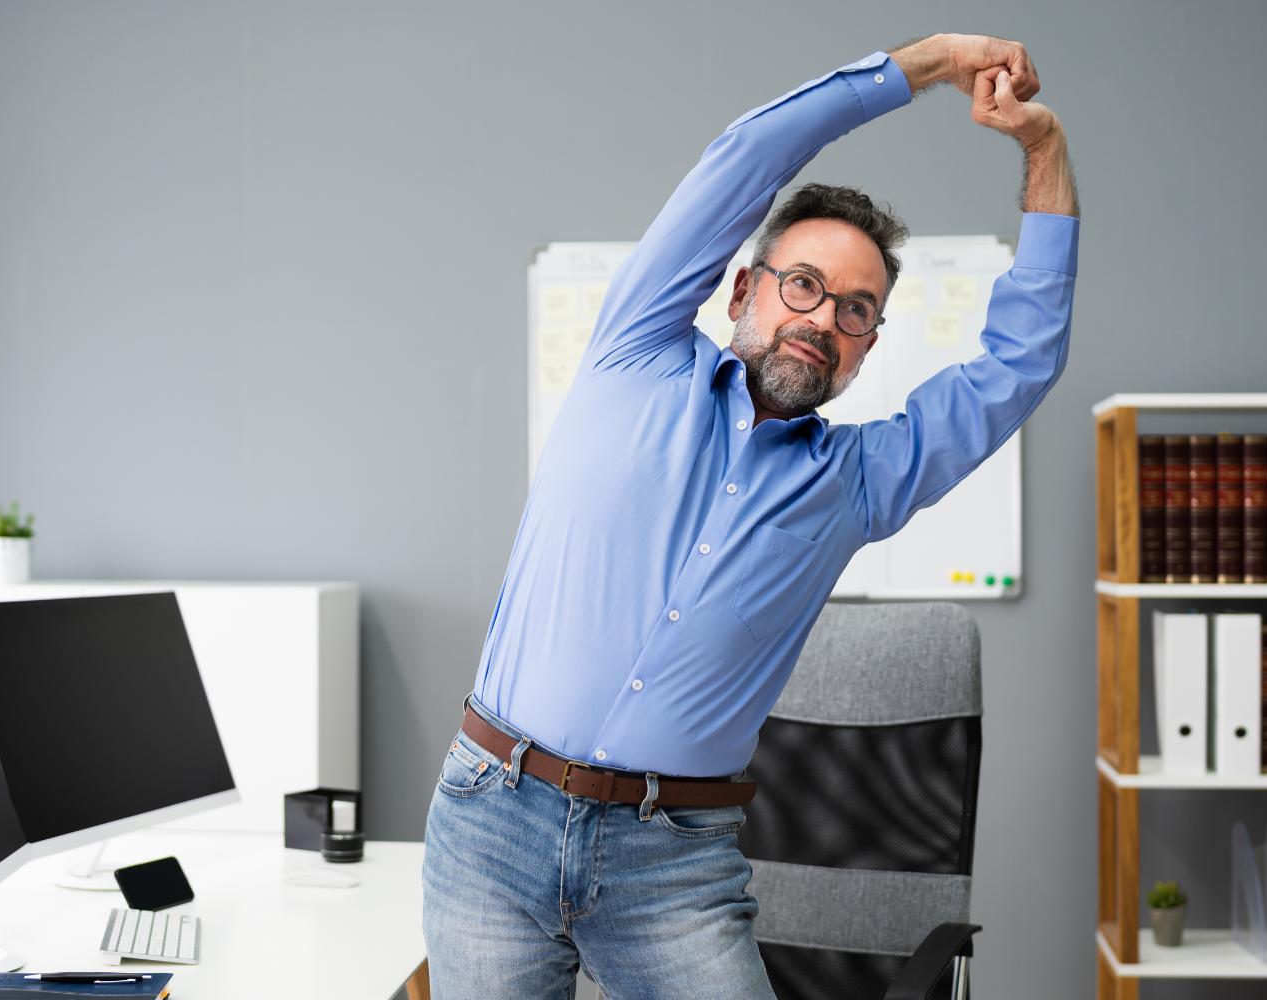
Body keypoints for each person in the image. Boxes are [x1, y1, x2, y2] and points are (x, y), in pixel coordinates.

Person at [423, 32, 1078, 999]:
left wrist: (1045, 151)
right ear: (744, 290)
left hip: (672, 866)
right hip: (492, 819)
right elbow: (748, 158)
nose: (822, 318)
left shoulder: (860, 482)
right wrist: (929, 62)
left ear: (866, 349)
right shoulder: (636, 352)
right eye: (803, 285)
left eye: (856, 310)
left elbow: (1018, 367)